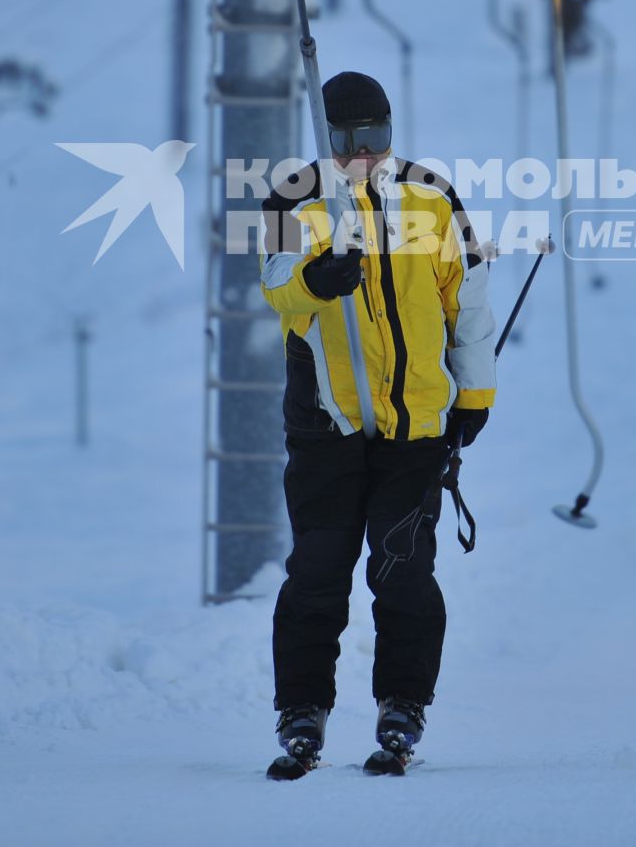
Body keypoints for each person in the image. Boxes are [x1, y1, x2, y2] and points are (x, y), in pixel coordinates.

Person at [258, 71, 496, 779]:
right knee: (319, 570)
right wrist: (315, 280)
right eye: (345, 139)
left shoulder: (433, 195)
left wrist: (474, 395)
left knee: (401, 570)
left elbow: (470, 305)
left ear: (392, 128)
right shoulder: (295, 198)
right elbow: (275, 284)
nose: (361, 153)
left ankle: (403, 703)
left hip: (415, 424)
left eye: (376, 137)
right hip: (325, 422)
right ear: (324, 134)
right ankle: (302, 707)